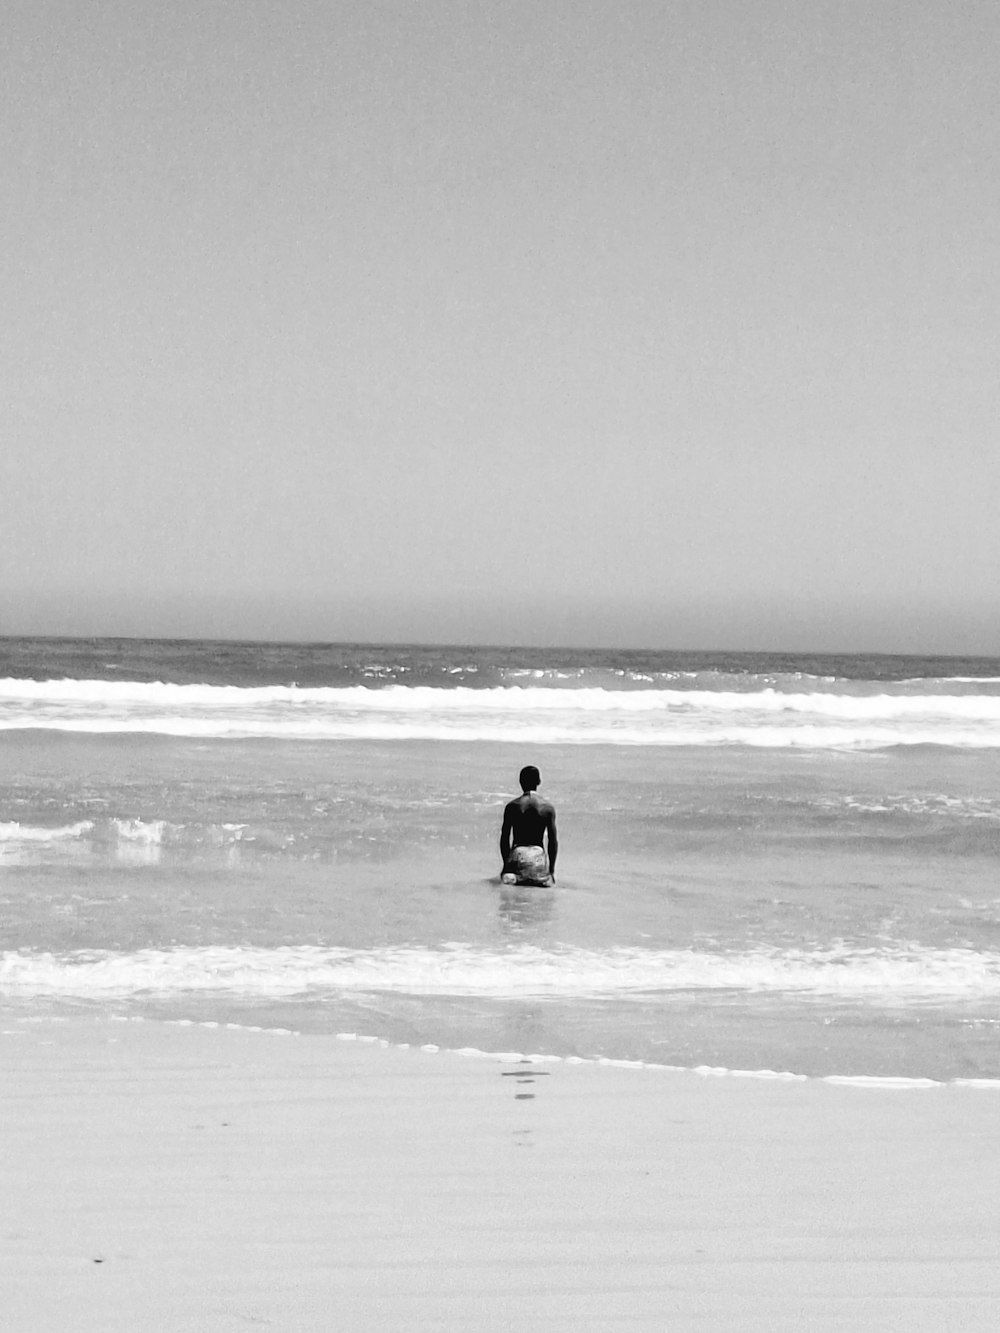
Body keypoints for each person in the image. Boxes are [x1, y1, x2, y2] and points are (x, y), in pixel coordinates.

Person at [500, 765, 558, 886]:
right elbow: (552, 841)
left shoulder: (512, 806)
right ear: (539, 782)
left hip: (518, 855)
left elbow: (505, 839)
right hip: (538, 857)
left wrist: (506, 865)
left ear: (520, 782)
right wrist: (551, 871)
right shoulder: (547, 807)